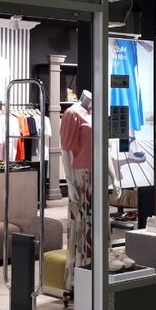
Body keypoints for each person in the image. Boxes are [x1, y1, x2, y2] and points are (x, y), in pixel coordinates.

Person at [60, 89, 93, 291]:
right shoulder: (72, 113)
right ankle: (75, 279)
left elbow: (103, 147)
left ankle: (96, 274)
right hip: (81, 177)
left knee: (96, 226)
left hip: (96, 176)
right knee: (79, 226)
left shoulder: (95, 112)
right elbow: (65, 150)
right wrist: (70, 183)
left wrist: (114, 178)